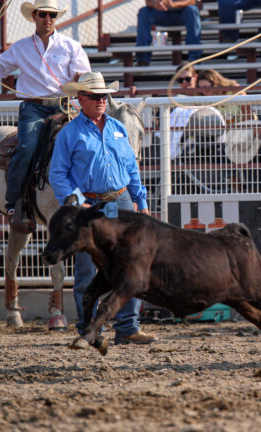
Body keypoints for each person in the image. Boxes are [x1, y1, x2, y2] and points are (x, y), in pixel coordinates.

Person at [50, 72, 157, 346]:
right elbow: (58, 174)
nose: (101, 101)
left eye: (104, 96)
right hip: (89, 205)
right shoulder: (69, 133)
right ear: (80, 99)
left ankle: (128, 327)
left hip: (120, 203)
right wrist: (78, 201)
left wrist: (141, 203)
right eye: (95, 96)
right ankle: (89, 328)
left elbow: (132, 168)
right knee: (87, 266)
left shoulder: (117, 128)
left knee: (129, 263)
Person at [0, 0, 90, 232]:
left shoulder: (71, 46)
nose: (48, 18)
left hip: (63, 106)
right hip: (33, 109)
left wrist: (80, 79)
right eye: (43, 14)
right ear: (35, 16)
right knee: (27, 148)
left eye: (52, 15)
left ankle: (93, 197)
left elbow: (82, 73)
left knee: (86, 145)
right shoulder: (20, 47)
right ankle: (15, 204)